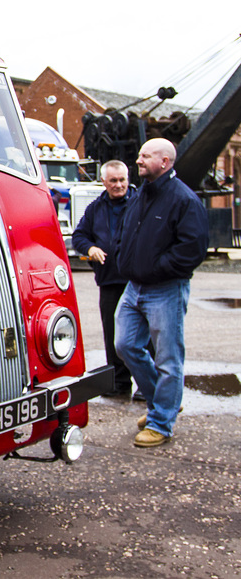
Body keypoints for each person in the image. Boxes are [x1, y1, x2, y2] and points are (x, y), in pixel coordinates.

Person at [115, 138, 208, 448]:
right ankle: (164, 403)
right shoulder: (141, 194)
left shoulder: (184, 200)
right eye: (139, 154)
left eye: (146, 156)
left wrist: (156, 268)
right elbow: (128, 232)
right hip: (134, 288)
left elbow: (192, 250)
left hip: (165, 289)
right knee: (125, 345)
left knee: (168, 358)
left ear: (165, 162)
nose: (138, 160)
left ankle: (161, 423)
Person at [72, 160, 136, 397]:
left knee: (143, 335)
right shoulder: (95, 209)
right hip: (109, 281)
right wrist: (89, 249)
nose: (119, 185)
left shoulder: (140, 203)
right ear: (104, 182)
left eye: (122, 180)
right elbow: (79, 235)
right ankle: (120, 384)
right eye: (114, 181)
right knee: (112, 335)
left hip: (137, 281)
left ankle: (147, 386)